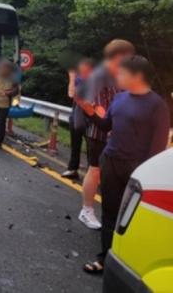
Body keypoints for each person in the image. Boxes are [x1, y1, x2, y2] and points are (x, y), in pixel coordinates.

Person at [77, 55, 170, 274]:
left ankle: (129, 262)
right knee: (109, 212)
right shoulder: (119, 98)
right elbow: (106, 125)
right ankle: (104, 258)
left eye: (122, 73)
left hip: (136, 168)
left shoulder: (158, 106)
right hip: (110, 161)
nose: (117, 76)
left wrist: (145, 175)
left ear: (137, 76)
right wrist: (90, 113)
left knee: (130, 216)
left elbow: (156, 149)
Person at [77, 39, 135, 230]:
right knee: (95, 170)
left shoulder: (121, 75)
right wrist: (111, 125)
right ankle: (87, 210)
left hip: (118, 132)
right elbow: (98, 106)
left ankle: (114, 212)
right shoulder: (99, 76)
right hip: (99, 130)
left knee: (115, 174)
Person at [62, 58, 95, 180]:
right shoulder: (79, 78)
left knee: (90, 143)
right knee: (76, 141)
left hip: (87, 110)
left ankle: (90, 172)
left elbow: (71, 93)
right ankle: (73, 168)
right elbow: (71, 94)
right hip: (78, 109)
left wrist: (72, 77)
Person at [0, 59, 20, 148]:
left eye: (5, 68)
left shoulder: (12, 78)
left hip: (5, 103)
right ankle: (0, 131)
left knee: (2, 121)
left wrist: (8, 93)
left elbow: (16, 90)